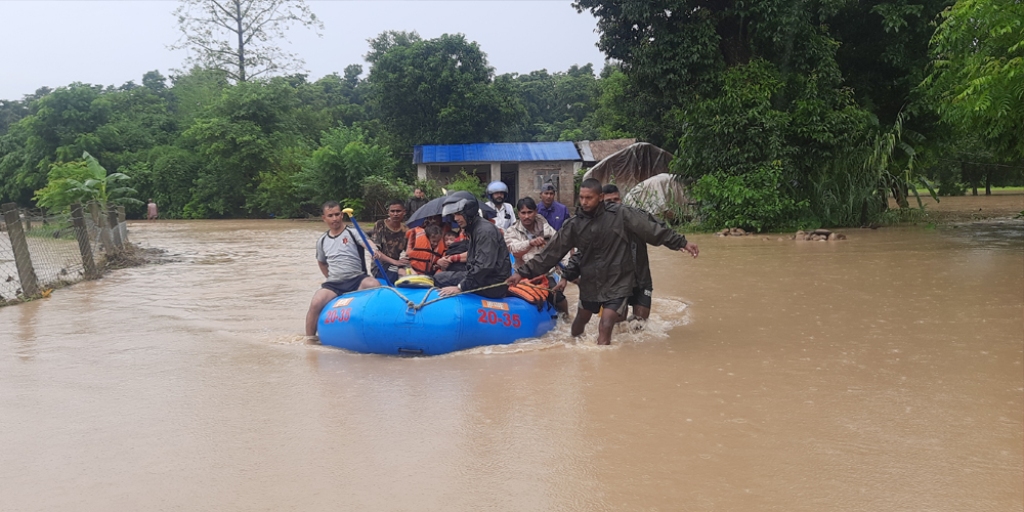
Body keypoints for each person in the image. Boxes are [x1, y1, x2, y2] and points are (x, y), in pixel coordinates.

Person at [508, 179, 699, 345]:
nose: (584, 202)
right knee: (580, 322)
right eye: (581, 198)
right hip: (592, 281)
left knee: (607, 324)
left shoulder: (622, 215)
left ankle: (602, 365)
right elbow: (551, 254)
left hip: (619, 280)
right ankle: (574, 347)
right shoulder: (575, 225)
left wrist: (681, 242)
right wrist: (522, 273)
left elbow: (652, 229)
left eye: (588, 198)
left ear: (599, 197)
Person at [305, 201, 382, 337]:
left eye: (337, 214)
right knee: (316, 302)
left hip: (357, 278)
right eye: (330, 215)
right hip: (334, 283)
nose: (334, 218)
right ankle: (309, 339)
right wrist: (330, 277)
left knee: (374, 285)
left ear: (341, 215)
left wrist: (373, 250)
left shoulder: (353, 232)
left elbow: (367, 242)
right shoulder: (322, 240)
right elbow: (321, 262)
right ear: (324, 218)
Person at [435, 194, 511, 299]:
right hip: (487, 278)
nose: (456, 218)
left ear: (469, 212)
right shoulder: (475, 229)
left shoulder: (484, 231)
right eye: (454, 215)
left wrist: (460, 287)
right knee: (447, 271)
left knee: (440, 278)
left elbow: (484, 266)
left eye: (458, 214)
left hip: (494, 284)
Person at [504, 197, 570, 316]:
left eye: (530, 212)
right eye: (523, 213)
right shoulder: (511, 231)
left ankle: (567, 318)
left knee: (558, 298)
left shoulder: (546, 229)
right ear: (518, 214)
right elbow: (514, 250)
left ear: (535, 212)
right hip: (521, 274)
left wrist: (566, 272)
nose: (526, 216)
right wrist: (529, 243)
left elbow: (560, 248)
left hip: (545, 274)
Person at [603, 184, 656, 330]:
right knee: (619, 326)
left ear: (621, 200)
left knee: (640, 325)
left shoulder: (636, 218)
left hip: (641, 279)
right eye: (609, 201)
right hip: (616, 282)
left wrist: (681, 243)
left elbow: (658, 231)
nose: (614, 204)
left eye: (616, 199)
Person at [371, 200, 409, 283]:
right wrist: (395, 262)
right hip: (380, 265)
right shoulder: (380, 225)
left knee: (410, 275)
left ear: (404, 212)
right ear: (388, 212)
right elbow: (375, 251)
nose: (395, 214)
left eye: (398, 211)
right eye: (392, 211)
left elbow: (409, 251)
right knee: (395, 275)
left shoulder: (406, 230)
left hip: (397, 264)